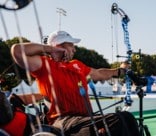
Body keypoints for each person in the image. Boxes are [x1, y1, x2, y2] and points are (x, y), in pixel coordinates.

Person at [11, 30, 140, 136]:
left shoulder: (76, 65)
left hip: (84, 119)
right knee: (115, 121)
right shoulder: (44, 64)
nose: (74, 49)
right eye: (71, 45)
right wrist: (50, 49)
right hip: (63, 121)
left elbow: (99, 73)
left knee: (127, 117)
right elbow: (16, 51)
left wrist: (121, 71)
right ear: (60, 45)